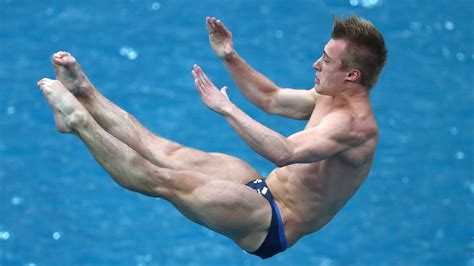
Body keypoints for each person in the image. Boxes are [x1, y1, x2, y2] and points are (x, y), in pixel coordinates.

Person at [36, 15, 387, 259]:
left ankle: (78, 121)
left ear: (352, 74)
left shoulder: (354, 127)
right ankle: (84, 92)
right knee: (163, 149)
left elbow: (284, 152)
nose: (316, 64)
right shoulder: (329, 94)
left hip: (272, 221)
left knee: (165, 180)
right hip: (262, 187)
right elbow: (271, 98)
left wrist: (226, 108)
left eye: (326, 60)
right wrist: (229, 56)